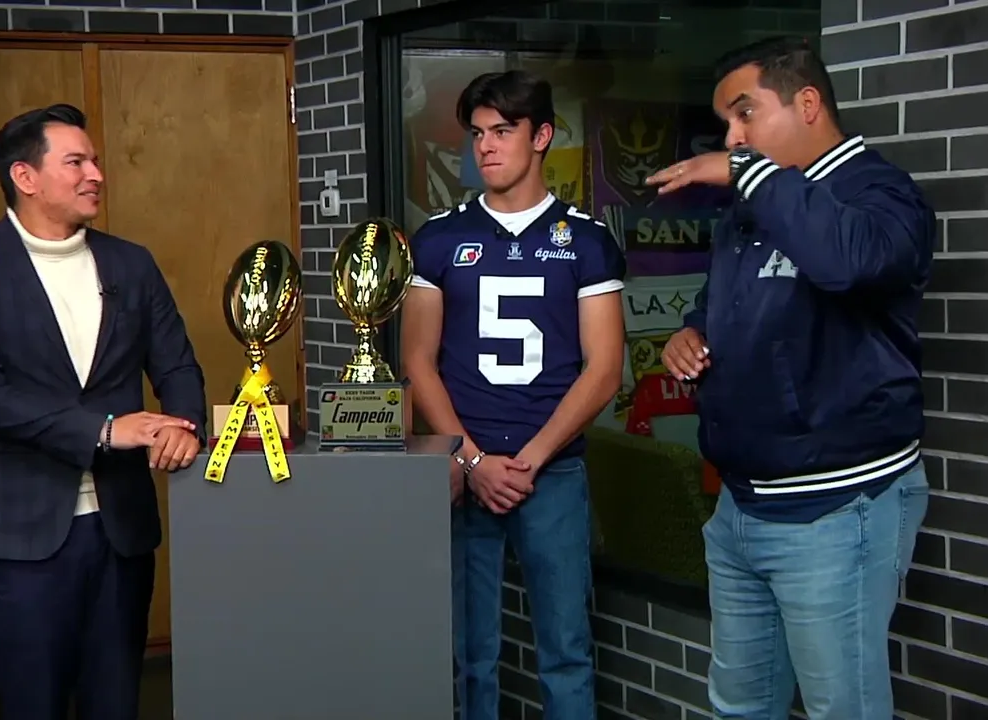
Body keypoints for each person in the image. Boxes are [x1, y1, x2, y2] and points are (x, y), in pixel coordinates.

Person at [648, 37, 934, 719]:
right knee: (741, 709)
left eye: (745, 113)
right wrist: (691, 333)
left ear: (807, 103)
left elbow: (845, 262)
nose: (732, 138)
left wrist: (745, 172)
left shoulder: (881, 194)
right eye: (726, 124)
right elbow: (728, 304)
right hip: (740, 508)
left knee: (843, 710)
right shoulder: (753, 204)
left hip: (836, 510)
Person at [0, 103, 207, 720]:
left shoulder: (131, 263)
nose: (96, 175)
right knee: (35, 703)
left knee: (116, 700)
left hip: (121, 531)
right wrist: (106, 431)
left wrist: (183, 427)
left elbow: (177, 366)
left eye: (96, 161)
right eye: (76, 162)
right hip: (21, 537)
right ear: (25, 176)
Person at [400, 70, 627, 720]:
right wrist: (473, 460)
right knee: (469, 654)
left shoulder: (586, 240)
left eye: (503, 131)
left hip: (550, 474)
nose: (487, 147)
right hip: (464, 471)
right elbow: (417, 359)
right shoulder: (439, 238)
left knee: (566, 651)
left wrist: (528, 460)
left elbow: (604, 369)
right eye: (477, 134)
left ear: (542, 136)